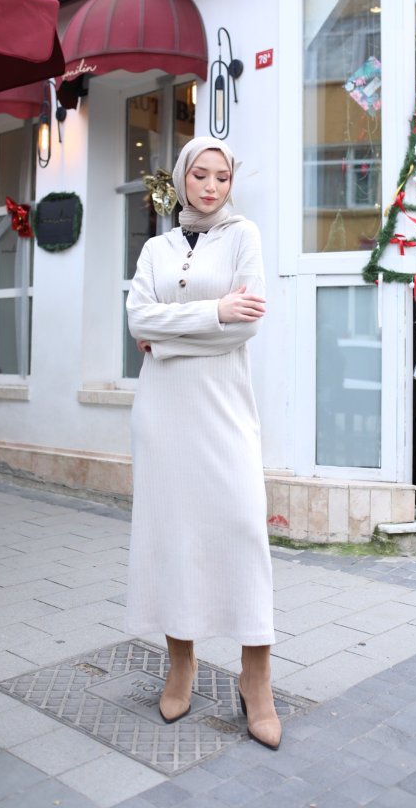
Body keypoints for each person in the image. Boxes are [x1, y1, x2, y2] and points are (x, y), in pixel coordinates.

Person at [125, 136, 281, 750]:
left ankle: (256, 678)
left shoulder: (244, 237)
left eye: (221, 176)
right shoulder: (156, 249)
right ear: (182, 178)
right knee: (174, 534)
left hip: (224, 410)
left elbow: (245, 326)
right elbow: (137, 317)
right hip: (163, 414)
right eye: (200, 174)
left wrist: (167, 338)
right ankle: (181, 662)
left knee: (243, 529)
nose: (211, 186)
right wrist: (215, 311)